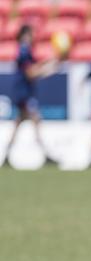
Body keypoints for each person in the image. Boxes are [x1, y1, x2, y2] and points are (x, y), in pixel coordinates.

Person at [5, 24, 62, 163]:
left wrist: (50, 63)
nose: (33, 37)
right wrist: (48, 69)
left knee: (19, 122)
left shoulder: (26, 50)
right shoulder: (24, 50)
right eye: (31, 34)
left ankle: (6, 156)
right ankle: (45, 154)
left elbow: (35, 66)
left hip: (24, 91)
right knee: (36, 119)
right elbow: (30, 73)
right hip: (23, 93)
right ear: (25, 35)